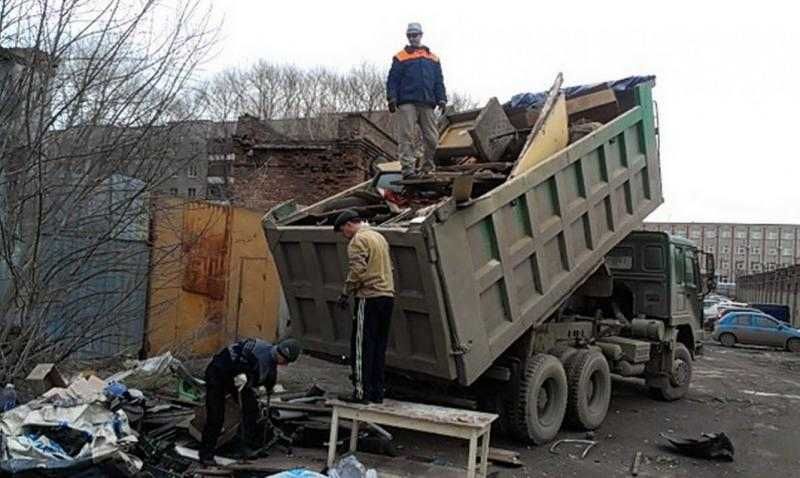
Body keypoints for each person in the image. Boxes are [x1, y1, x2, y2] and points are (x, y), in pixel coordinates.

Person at [199, 337, 301, 464]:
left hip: (240, 380)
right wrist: (241, 372)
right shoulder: (257, 349)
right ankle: (206, 454)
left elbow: (270, 374)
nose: (285, 364)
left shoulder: (272, 361)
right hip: (219, 373)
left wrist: (269, 387)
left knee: (251, 409)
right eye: (285, 361)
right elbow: (239, 357)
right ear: (280, 353)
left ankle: (239, 446)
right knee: (216, 415)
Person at [334, 210, 395, 404]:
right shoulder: (379, 237)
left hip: (368, 297)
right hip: (387, 296)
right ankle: (377, 393)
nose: (344, 235)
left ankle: (360, 393)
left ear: (348, 225)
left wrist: (345, 292)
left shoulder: (358, 241)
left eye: (342, 230)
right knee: (378, 347)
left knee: (361, 347)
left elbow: (357, 271)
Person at [386, 22, 447, 179]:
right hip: (407, 102)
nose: (413, 38)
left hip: (427, 102)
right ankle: (408, 169)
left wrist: (442, 98)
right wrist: (392, 98)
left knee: (432, 139)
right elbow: (392, 80)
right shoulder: (400, 57)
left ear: (421, 35)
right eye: (410, 35)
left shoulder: (433, 58)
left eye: (415, 35)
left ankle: (427, 167)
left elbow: (438, 81)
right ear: (408, 37)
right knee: (406, 136)